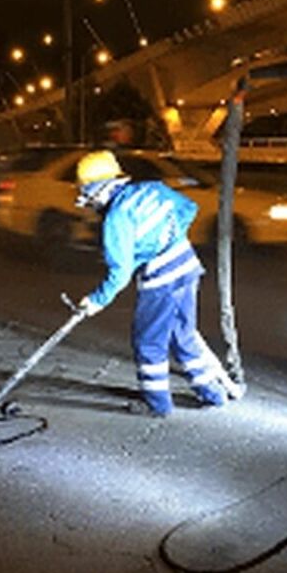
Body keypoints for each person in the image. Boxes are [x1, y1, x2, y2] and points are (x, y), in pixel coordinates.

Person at [75, 150, 228, 417]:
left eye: (87, 195)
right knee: (183, 335)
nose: (88, 203)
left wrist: (96, 301)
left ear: (98, 189)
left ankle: (157, 404)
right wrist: (167, 238)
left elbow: (120, 272)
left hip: (161, 281)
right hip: (187, 268)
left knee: (148, 341)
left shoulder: (117, 217)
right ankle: (212, 393)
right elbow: (189, 208)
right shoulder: (152, 188)